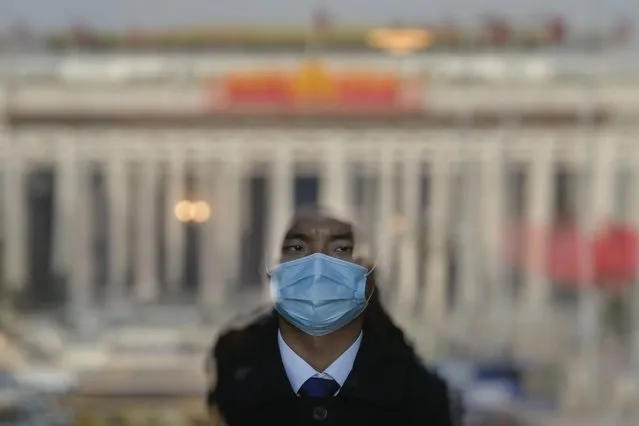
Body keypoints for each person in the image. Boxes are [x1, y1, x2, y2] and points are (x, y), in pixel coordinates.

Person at [206, 206, 457, 426]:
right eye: (298, 248)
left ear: (364, 272)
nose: (317, 264)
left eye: (339, 249)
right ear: (275, 269)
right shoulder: (236, 375)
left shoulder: (415, 394)